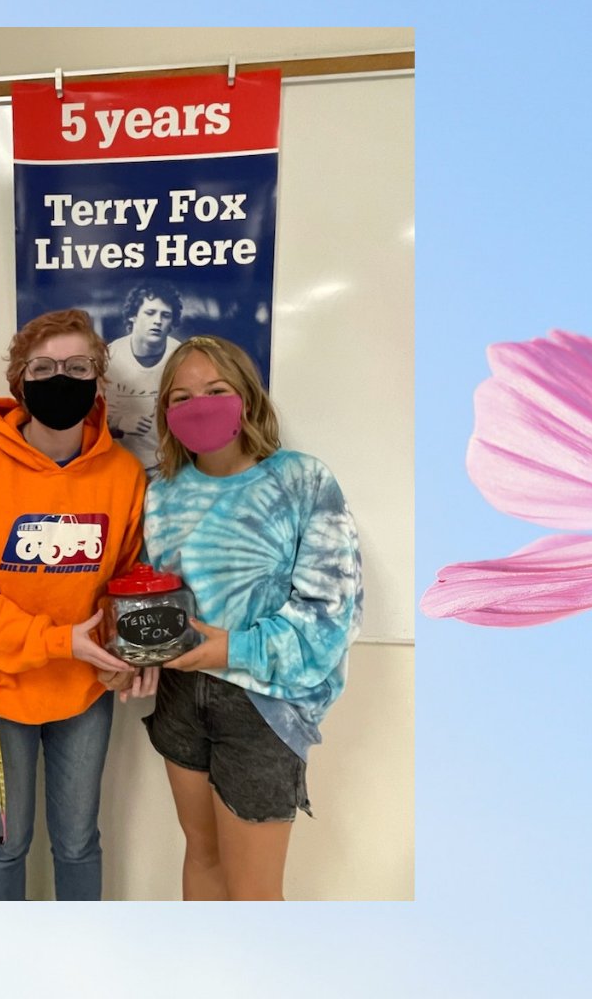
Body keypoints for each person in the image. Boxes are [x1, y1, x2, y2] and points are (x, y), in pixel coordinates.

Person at [0, 309, 156, 901]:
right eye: (44, 366)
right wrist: (58, 640)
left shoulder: (123, 473)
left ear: (98, 379)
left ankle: (78, 965)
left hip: (84, 691)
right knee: (4, 842)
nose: (62, 377)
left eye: (78, 366)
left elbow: (129, 578)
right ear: (20, 380)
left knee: (79, 840)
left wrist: (129, 649)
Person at [142, 335, 363, 900]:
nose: (200, 405)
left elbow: (332, 615)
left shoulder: (302, 481)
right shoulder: (160, 491)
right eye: (181, 397)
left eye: (216, 390)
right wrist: (130, 655)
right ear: (166, 413)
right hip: (179, 697)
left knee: (255, 893)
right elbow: (152, 596)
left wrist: (229, 649)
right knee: (202, 855)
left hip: (262, 705)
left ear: (246, 396)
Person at [105, 280, 184, 475]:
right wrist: (118, 422)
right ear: (133, 316)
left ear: (172, 322)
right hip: (116, 467)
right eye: (150, 313)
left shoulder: (182, 358)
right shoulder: (108, 357)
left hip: (168, 468)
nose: (157, 321)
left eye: (165, 315)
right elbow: (87, 419)